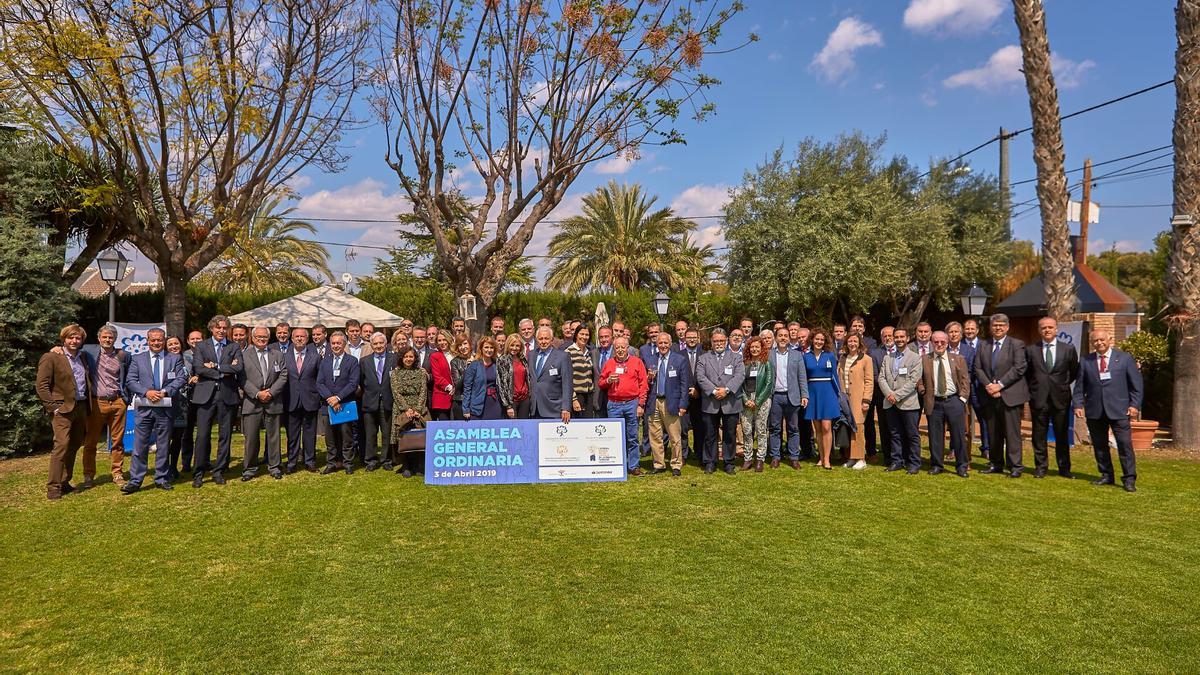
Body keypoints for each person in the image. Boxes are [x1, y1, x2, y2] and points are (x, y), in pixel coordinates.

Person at [1074, 330, 1143, 492]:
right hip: (1095, 410)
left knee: (1124, 445)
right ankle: (1106, 475)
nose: (1099, 342)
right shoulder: (1085, 360)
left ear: (1109, 339)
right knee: (1099, 445)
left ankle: (1129, 479)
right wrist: (1077, 405)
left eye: (1102, 339)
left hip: (1120, 410)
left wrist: (1134, 405)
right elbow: (1079, 387)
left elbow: (1137, 386)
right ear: (1092, 343)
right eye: (1095, 340)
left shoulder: (1125, 358)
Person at [116, 328, 185, 493]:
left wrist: (165, 391)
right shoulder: (138, 359)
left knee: (163, 445)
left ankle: (161, 478)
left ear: (164, 340)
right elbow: (131, 380)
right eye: (153, 340)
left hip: (166, 408)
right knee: (140, 445)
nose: (156, 343)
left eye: (159, 340)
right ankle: (136, 480)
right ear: (147, 341)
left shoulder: (174, 358)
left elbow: (181, 378)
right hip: (145, 408)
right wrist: (146, 392)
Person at [36, 324, 95, 500]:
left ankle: (64, 482)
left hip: (81, 407)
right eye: (71, 338)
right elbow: (42, 385)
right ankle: (53, 488)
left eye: (78, 338)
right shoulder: (52, 357)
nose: (74, 341)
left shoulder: (83, 357)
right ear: (64, 339)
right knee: (61, 446)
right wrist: (53, 407)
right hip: (62, 409)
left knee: (74, 445)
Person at [974, 313, 1029, 478]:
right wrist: (989, 386)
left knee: (1012, 433)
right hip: (990, 395)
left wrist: (1000, 385)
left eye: (1001, 325)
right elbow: (978, 368)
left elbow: (1019, 368)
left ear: (1007, 327)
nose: (998, 328)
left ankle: (1015, 466)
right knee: (993, 432)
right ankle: (996, 463)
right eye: (995, 325)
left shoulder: (1016, 344)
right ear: (990, 327)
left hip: (1009, 395)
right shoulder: (983, 345)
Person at [76, 324, 130, 487]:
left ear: (115, 339)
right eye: (104, 337)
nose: (107, 339)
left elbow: (128, 377)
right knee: (90, 441)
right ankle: (88, 475)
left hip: (118, 401)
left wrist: (126, 398)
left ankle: (117, 473)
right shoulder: (88, 352)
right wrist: (56, 349)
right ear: (99, 338)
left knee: (118, 441)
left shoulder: (123, 355)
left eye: (110, 337)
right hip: (96, 402)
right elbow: (70, 349)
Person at [1026, 316, 1081, 478]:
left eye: (1050, 327)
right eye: (1043, 327)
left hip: (1061, 398)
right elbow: (1028, 374)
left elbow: (1074, 371)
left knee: (1062, 435)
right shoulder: (1031, 350)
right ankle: (1041, 467)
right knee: (1039, 435)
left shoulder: (1068, 349)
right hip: (1039, 398)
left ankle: (1064, 469)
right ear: (1039, 330)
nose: (1047, 330)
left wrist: (1061, 385)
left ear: (1056, 329)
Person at [191, 315, 241, 488]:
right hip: (206, 396)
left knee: (225, 435)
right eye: (218, 327)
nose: (221, 331)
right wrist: (222, 373)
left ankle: (219, 471)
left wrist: (215, 366)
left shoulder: (233, 346)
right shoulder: (201, 346)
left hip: (227, 395)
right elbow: (198, 368)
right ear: (211, 328)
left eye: (224, 328)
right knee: (203, 435)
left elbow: (238, 367)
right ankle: (198, 472)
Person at [238, 326, 288, 482]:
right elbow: (241, 378)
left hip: (273, 401)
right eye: (258, 337)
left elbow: (283, 375)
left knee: (274, 437)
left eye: (265, 337)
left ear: (269, 338)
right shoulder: (244, 355)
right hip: (252, 402)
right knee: (251, 437)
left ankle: (274, 467)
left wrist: (271, 392)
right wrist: (258, 393)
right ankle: (250, 468)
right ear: (252, 338)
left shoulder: (277, 355)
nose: (262, 339)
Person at [920, 331, 970, 477]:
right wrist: (922, 390)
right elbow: (919, 379)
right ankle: (937, 465)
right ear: (932, 343)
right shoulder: (925, 359)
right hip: (934, 402)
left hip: (954, 400)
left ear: (947, 343)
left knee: (958, 436)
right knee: (935, 436)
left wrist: (962, 399)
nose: (939, 344)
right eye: (936, 342)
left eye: (942, 342)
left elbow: (965, 380)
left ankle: (961, 466)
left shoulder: (958, 359)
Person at [696, 328, 744, 474]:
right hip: (711, 402)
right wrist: (715, 391)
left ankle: (729, 462)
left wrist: (727, 390)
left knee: (730, 434)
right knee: (710, 434)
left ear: (726, 341)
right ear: (711, 342)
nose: (719, 343)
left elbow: (740, 375)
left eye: (721, 341)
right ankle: (710, 461)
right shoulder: (703, 358)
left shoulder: (736, 357)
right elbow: (700, 377)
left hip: (730, 402)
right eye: (716, 341)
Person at [598, 336, 648, 476]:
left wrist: (641, 405)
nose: (620, 350)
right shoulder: (609, 363)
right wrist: (608, 380)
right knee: (615, 437)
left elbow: (643, 385)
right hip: (614, 404)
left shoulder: (637, 362)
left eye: (622, 347)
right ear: (614, 349)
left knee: (632, 436)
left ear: (627, 348)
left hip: (632, 403)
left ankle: (633, 466)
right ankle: (617, 465)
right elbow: (601, 383)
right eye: (617, 347)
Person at [877, 327, 923, 474]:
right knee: (894, 433)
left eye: (901, 337)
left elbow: (913, 381)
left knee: (912, 434)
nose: (899, 339)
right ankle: (896, 461)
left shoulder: (915, 358)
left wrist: (896, 396)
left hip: (908, 403)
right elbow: (881, 378)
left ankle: (914, 462)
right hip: (890, 402)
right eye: (896, 337)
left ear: (907, 338)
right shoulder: (887, 358)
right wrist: (889, 394)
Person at [646, 332, 690, 476]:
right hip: (654, 402)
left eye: (666, 343)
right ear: (656, 344)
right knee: (655, 435)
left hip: (672, 402)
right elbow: (645, 382)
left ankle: (676, 464)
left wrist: (683, 404)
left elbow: (685, 385)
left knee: (674, 436)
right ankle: (659, 464)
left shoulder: (679, 360)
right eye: (660, 343)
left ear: (670, 344)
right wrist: (649, 378)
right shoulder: (651, 359)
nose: (663, 345)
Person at [317, 331, 360, 474]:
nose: (336, 346)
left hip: (345, 404)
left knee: (346, 436)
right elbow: (319, 383)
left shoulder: (352, 361)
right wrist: (331, 398)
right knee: (330, 438)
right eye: (333, 343)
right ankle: (332, 462)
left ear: (344, 344)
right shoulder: (325, 361)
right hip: (328, 406)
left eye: (339, 343)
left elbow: (353, 384)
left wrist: (338, 398)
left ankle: (348, 463)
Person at [767, 326, 808, 469]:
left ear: (789, 338)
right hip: (775, 397)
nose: (783, 338)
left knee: (793, 428)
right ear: (776, 338)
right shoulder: (769, 354)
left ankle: (794, 457)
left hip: (793, 397)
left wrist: (804, 395)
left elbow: (802, 377)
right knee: (775, 428)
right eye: (780, 335)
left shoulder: (797, 356)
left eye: (786, 335)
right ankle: (775, 457)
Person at [284, 326, 321, 473]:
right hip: (291, 400)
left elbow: (320, 379)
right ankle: (292, 462)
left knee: (310, 434)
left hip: (310, 400)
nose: (299, 339)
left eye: (302, 337)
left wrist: (317, 396)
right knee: (292, 435)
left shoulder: (315, 357)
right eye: (296, 337)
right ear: (292, 339)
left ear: (307, 339)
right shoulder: (284, 357)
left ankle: (309, 461)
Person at [804, 328, 840, 470]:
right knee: (817, 428)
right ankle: (821, 457)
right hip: (813, 392)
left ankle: (827, 459)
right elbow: (804, 377)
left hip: (828, 392)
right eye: (816, 339)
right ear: (812, 339)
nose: (819, 342)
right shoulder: (806, 356)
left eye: (821, 340)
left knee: (826, 426)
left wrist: (837, 394)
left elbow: (834, 377)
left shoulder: (830, 356)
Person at [390, 346, 430, 478]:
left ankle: (419, 466)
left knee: (419, 437)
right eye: (406, 356)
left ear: (415, 358)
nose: (408, 359)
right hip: (402, 409)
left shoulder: (420, 372)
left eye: (411, 356)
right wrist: (407, 409)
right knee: (405, 438)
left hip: (419, 409)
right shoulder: (395, 372)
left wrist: (418, 409)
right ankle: (406, 465)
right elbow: (396, 392)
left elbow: (423, 391)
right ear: (402, 357)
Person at [359, 332, 395, 471]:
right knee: (370, 433)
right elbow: (362, 381)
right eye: (375, 343)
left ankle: (386, 460)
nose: (379, 346)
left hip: (388, 401)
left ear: (386, 344)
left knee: (387, 433)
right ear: (371, 345)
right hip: (370, 401)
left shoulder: (394, 358)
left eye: (381, 343)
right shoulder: (364, 361)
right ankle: (371, 460)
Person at [839, 333, 873, 471]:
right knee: (848, 427)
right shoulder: (842, 358)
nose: (852, 343)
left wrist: (866, 400)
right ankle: (852, 457)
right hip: (844, 398)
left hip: (858, 399)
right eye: (850, 341)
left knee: (858, 427)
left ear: (860, 343)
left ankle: (861, 458)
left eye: (855, 341)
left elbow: (869, 381)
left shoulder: (866, 359)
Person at [946, 320, 979, 461]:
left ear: (961, 334)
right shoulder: (942, 349)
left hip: (964, 394)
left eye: (956, 332)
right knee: (950, 424)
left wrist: (963, 388)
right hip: (946, 393)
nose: (953, 334)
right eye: (951, 332)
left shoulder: (969, 350)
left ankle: (965, 452)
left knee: (965, 425)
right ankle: (952, 449)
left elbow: (973, 371)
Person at [739, 336, 773, 472]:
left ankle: (760, 459)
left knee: (761, 430)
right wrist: (745, 399)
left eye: (757, 347)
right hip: (746, 399)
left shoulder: (766, 363)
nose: (754, 349)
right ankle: (747, 458)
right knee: (747, 430)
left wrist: (757, 401)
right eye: (752, 347)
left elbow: (769, 383)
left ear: (762, 348)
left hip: (762, 400)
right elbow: (740, 384)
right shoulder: (744, 363)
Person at [164, 335, 194, 480]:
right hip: (166, 404)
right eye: (170, 344)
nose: (174, 346)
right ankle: (163, 467)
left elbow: (195, 374)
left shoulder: (188, 360)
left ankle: (173, 466)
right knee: (165, 437)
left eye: (176, 343)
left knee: (178, 438)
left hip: (183, 404)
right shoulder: (162, 360)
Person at [528, 327, 573, 422]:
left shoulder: (563, 356)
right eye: (540, 339)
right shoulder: (531, 355)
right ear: (536, 340)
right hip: (534, 408)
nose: (543, 341)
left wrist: (566, 408)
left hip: (554, 408)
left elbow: (567, 384)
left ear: (552, 340)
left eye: (546, 338)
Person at [864, 326, 894, 459]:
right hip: (882, 395)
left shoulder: (903, 351)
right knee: (884, 426)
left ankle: (901, 454)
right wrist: (888, 391)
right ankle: (888, 456)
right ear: (881, 338)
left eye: (890, 335)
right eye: (885, 336)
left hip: (902, 395)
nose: (888, 338)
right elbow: (875, 375)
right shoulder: (875, 353)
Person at [962, 317, 989, 459]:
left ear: (977, 331)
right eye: (967, 329)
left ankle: (986, 448)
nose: (970, 331)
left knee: (983, 418)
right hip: (963, 388)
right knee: (960, 419)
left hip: (980, 388)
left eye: (972, 329)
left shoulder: (985, 345)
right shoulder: (958, 345)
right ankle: (957, 448)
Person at [678, 327, 706, 460]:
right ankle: (683, 455)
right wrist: (688, 390)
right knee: (682, 428)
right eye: (689, 337)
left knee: (699, 427)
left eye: (694, 337)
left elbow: (708, 376)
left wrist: (698, 390)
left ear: (698, 338)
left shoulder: (706, 354)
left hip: (700, 398)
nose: (692, 339)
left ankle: (700, 454)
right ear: (684, 338)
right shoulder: (678, 354)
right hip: (683, 398)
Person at [462, 337, 504, 420]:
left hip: (495, 404)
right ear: (481, 349)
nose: (489, 350)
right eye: (486, 347)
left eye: (491, 347)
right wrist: (465, 408)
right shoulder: (474, 365)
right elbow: (467, 388)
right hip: (477, 405)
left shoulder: (497, 364)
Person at [179, 330, 203, 474]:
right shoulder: (183, 356)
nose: (195, 341)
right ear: (188, 341)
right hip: (187, 399)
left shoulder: (208, 354)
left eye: (198, 338)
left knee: (203, 432)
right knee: (186, 433)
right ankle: (186, 463)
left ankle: (203, 461)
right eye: (192, 339)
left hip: (204, 397)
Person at [497, 334, 532, 419]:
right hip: (512, 400)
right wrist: (508, 405)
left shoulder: (523, 360)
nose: (514, 348)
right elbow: (501, 385)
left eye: (517, 346)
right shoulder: (502, 360)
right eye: (512, 345)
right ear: (508, 345)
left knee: (524, 426)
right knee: (514, 427)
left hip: (524, 399)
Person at [566, 324, 596, 419]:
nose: (584, 337)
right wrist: (573, 399)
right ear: (576, 335)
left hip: (589, 395)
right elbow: (566, 379)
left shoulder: (589, 352)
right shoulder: (569, 352)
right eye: (581, 334)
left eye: (586, 335)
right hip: (576, 395)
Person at [428, 331, 455, 421]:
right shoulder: (435, 356)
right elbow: (437, 377)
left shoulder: (456, 354)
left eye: (444, 339)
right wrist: (451, 388)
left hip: (457, 397)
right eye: (439, 340)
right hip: (442, 396)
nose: (442, 342)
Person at [450, 334, 474, 420]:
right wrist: (467, 369)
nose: (462, 347)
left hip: (477, 401)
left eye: (465, 343)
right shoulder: (455, 362)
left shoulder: (478, 359)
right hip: (460, 401)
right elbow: (457, 385)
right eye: (460, 345)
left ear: (470, 345)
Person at [592, 326, 614, 417]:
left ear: (612, 337)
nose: (603, 339)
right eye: (601, 337)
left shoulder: (618, 352)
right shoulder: (593, 353)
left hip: (614, 399)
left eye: (606, 336)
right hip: (598, 399)